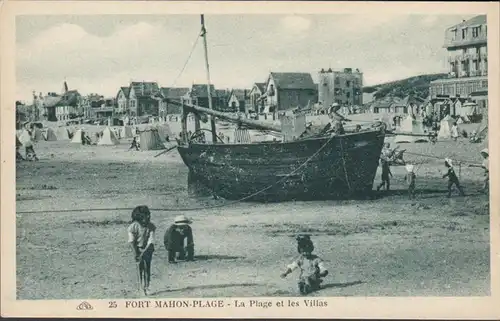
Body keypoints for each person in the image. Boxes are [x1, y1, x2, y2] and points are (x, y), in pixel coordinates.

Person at [127, 205, 156, 296]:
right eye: (145, 215)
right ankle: (140, 287)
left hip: (148, 249)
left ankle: (147, 286)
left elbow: (151, 241)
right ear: (139, 217)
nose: (148, 217)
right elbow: (131, 241)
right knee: (139, 269)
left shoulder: (151, 226)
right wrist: (136, 253)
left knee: (147, 268)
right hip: (138, 249)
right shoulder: (133, 227)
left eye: (148, 215)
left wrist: (144, 252)